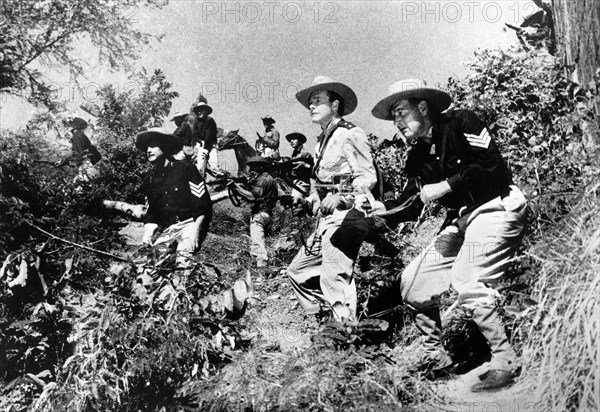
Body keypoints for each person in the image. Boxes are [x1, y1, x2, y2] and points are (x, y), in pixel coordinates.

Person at [359, 79, 528, 392]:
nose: (396, 121)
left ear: (423, 107)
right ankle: (436, 357)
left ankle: (506, 360)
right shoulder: (417, 156)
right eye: (392, 116)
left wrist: (447, 184)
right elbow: (410, 204)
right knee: (412, 284)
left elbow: (493, 167)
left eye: (401, 111)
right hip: (462, 220)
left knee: (467, 277)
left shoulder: (461, 122)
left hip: (495, 206)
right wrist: (381, 209)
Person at [286, 76, 377, 323]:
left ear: (335, 105)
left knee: (334, 276)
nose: (311, 107)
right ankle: (325, 321)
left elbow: (367, 177)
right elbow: (323, 183)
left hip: (353, 213)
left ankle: (347, 338)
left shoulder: (350, 133)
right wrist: (311, 198)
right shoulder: (321, 142)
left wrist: (340, 196)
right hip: (328, 219)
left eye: (317, 101)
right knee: (297, 271)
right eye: (310, 103)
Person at [136, 128, 212, 261]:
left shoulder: (185, 168)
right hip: (168, 228)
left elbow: (202, 206)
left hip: (189, 224)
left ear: (165, 146)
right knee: (152, 266)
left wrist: (196, 234)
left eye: (153, 146)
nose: (148, 150)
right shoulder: (150, 179)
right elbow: (151, 214)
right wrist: (148, 234)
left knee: (183, 265)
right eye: (147, 147)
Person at [228, 156, 279, 268]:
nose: (251, 171)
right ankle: (260, 269)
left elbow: (252, 197)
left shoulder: (263, 180)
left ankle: (262, 270)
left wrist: (235, 187)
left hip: (259, 215)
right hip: (267, 214)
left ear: (261, 167)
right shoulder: (269, 179)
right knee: (258, 245)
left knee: (258, 245)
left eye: (253, 168)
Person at [57, 117, 102, 182]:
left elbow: (79, 152)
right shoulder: (77, 135)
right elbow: (79, 151)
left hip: (87, 161)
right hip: (87, 161)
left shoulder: (77, 135)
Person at [182, 102, 218, 176]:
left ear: (206, 111)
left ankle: (225, 179)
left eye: (202, 110)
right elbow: (194, 135)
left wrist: (205, 148)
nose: (199, 112)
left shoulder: (210, 120)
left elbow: (209, 135)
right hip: (200, 145)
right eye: (198, 110)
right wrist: (194, 147)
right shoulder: (197, 122)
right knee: (199, 168)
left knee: (214, 168)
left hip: (210, 145)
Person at [285, 132, 313, 205]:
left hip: (302, 184)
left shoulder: (304, 153)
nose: (291, 141)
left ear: (300, 141)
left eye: (294, 139)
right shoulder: (294, 154)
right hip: (296, 183)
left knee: (296, 204)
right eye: (290, 140)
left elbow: (310, 171)